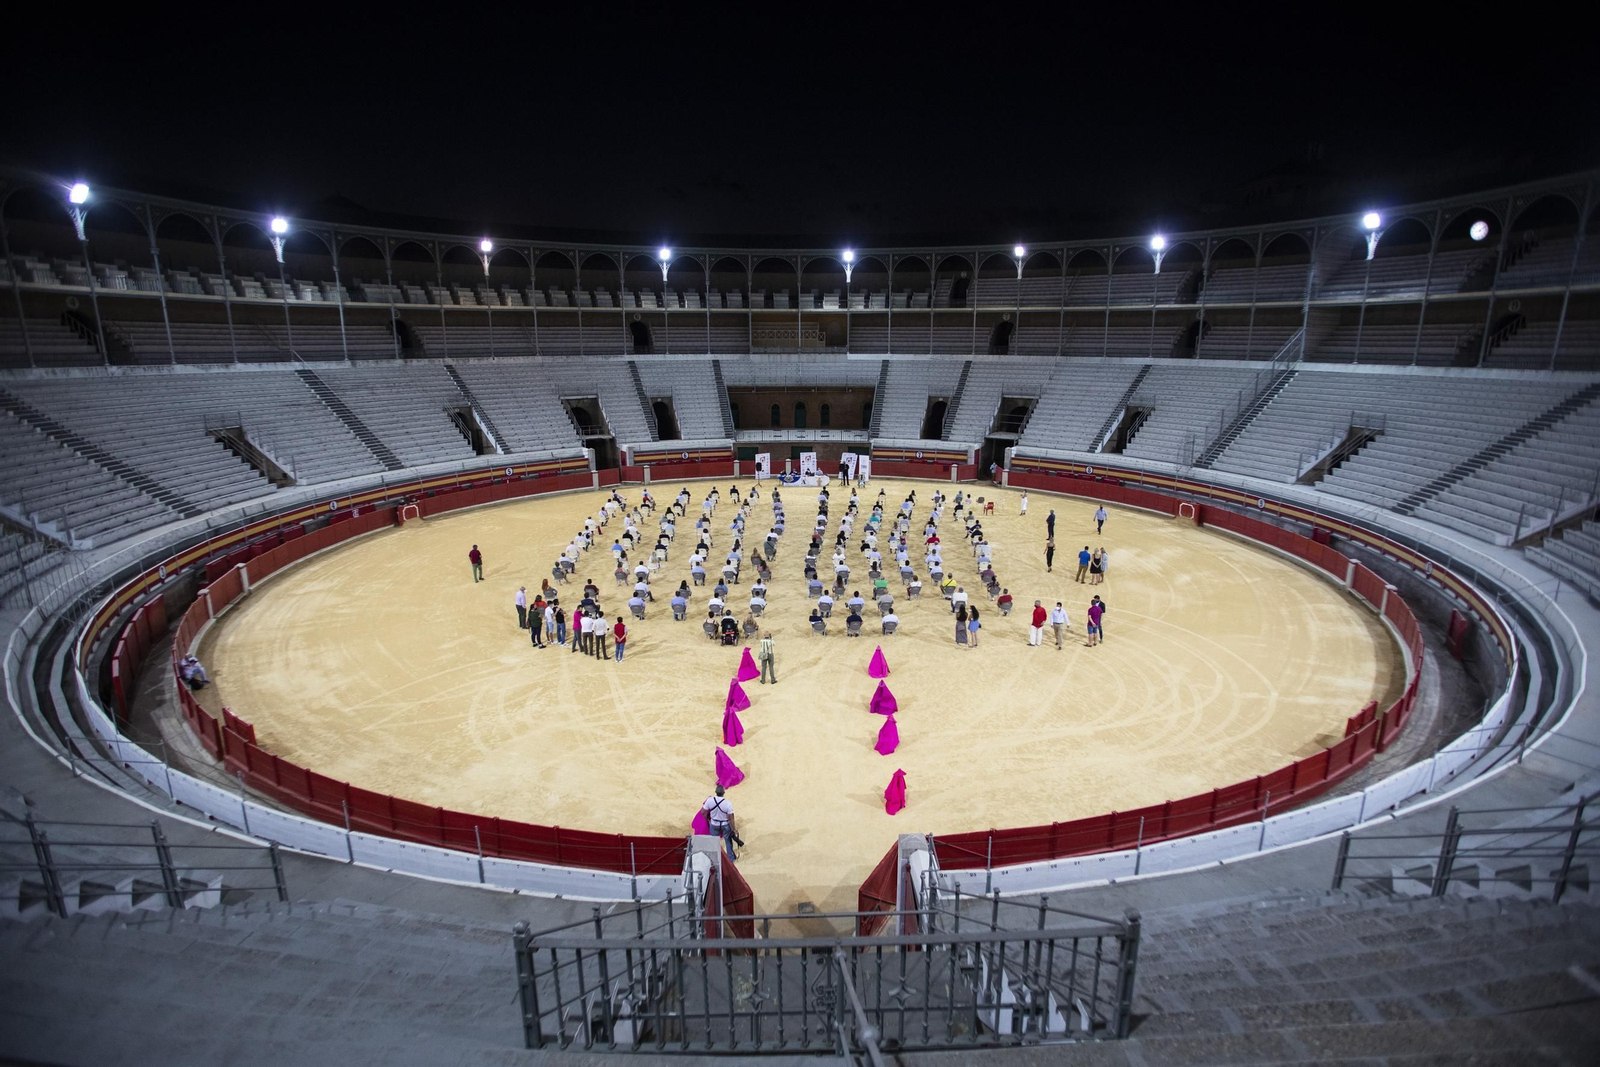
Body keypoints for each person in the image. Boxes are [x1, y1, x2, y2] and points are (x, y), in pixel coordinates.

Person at [702, 784, 740, 859]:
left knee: (714, 842)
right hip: (725, 824)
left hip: (714, 824)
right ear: (723, 793)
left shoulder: (710, 800)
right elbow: (731, 817)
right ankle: (730, 858)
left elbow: (703, 812)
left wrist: (708, 819)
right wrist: (734, 829)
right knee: (728, 841)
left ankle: (714, 858)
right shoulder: (727, 803)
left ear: (715, 792)